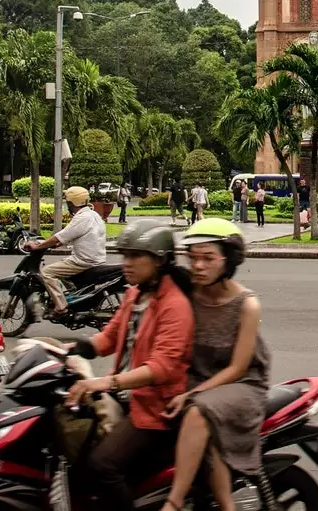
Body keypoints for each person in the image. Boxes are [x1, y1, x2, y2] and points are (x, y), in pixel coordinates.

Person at [65, 221, 195, 511]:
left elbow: (161, 367)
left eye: (136, 256)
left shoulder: (175, 304)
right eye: (125, 255)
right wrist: (75, 348)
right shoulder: (136, 294)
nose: (127, 264)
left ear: (160, 260)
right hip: (128, 397)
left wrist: (104, 383)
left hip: (155, 409)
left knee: (102, 464)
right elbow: (111, 336)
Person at [160, 219, 270, 511]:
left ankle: (174, 501)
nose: (198, 266)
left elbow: (238, 368)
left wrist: (190, 395)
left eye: (208, 258)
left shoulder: (246, 304)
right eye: (193, 258)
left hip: (241, 384)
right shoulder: (188, 295)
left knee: (199, 413)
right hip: (198, 378)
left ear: (228, 260)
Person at [25, 185, 112, 316]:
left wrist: (37, 247)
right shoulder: (93, 215)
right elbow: (68, 237)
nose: (68, 205)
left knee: (47, 272)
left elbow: (59, 237)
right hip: (95, 258)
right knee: (62, 266)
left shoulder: (81, 218)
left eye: (68, 202)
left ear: (73, 202)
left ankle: (61, 307)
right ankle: (75, 296)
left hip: (83, 261)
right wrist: (50, 243)